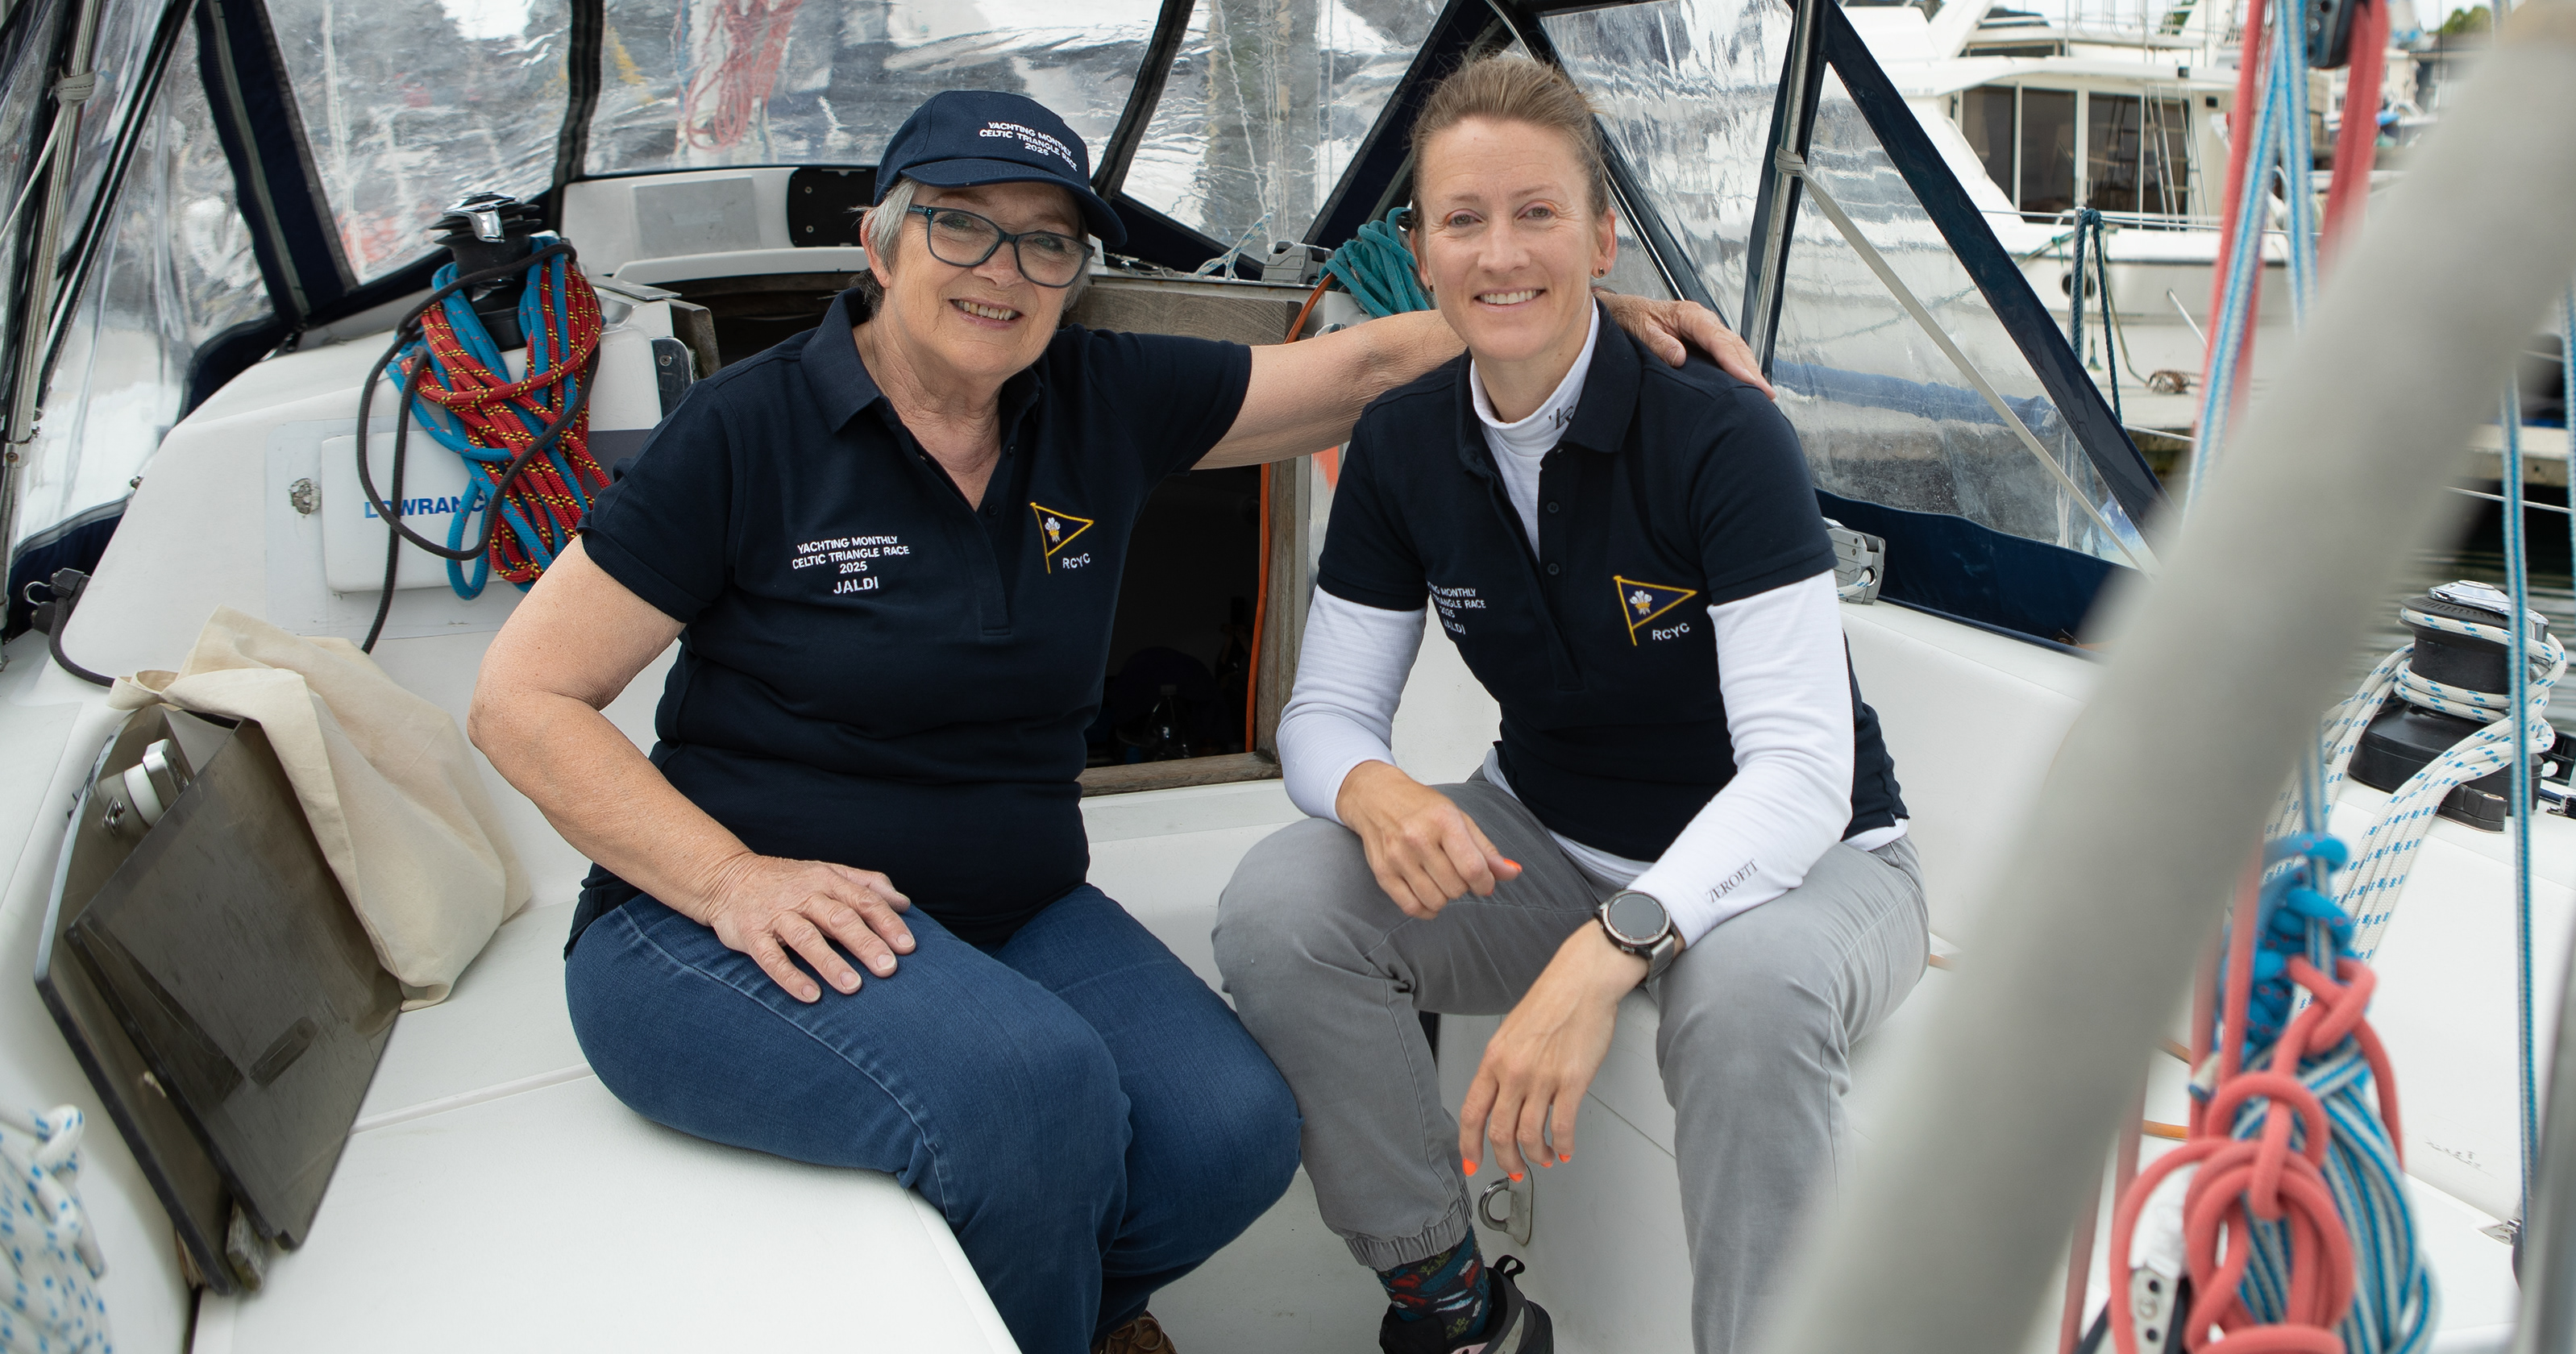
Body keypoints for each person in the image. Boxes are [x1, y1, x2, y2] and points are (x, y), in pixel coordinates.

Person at [468, 87, 1760, 1354]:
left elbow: (1363, 364)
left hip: (1007, 910)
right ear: (880, 238)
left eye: (1046, 241)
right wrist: (729, 880)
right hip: (714, 928)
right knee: (1033, 1090)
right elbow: (522, 700)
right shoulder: (748, 431)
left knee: (1234, 1130)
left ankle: (1064, 1313)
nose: (1003, 269)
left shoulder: (1092, 398)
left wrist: (1576, 313)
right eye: (960, 224)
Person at [1214, 56, 1927, 1354]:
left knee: (1749, 998)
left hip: (1811, 867)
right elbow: (1324, 717)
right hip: (1546, 835)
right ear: (1420, 252)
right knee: (1283, 906)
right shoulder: (1404, 443)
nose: (1503, 254)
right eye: (1465, 219)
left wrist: (1609, 954)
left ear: (1601, 239)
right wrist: (1371, 790)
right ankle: (1454, 1304)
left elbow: (1800, 774)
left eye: (1539, 213)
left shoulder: (1720, 436)